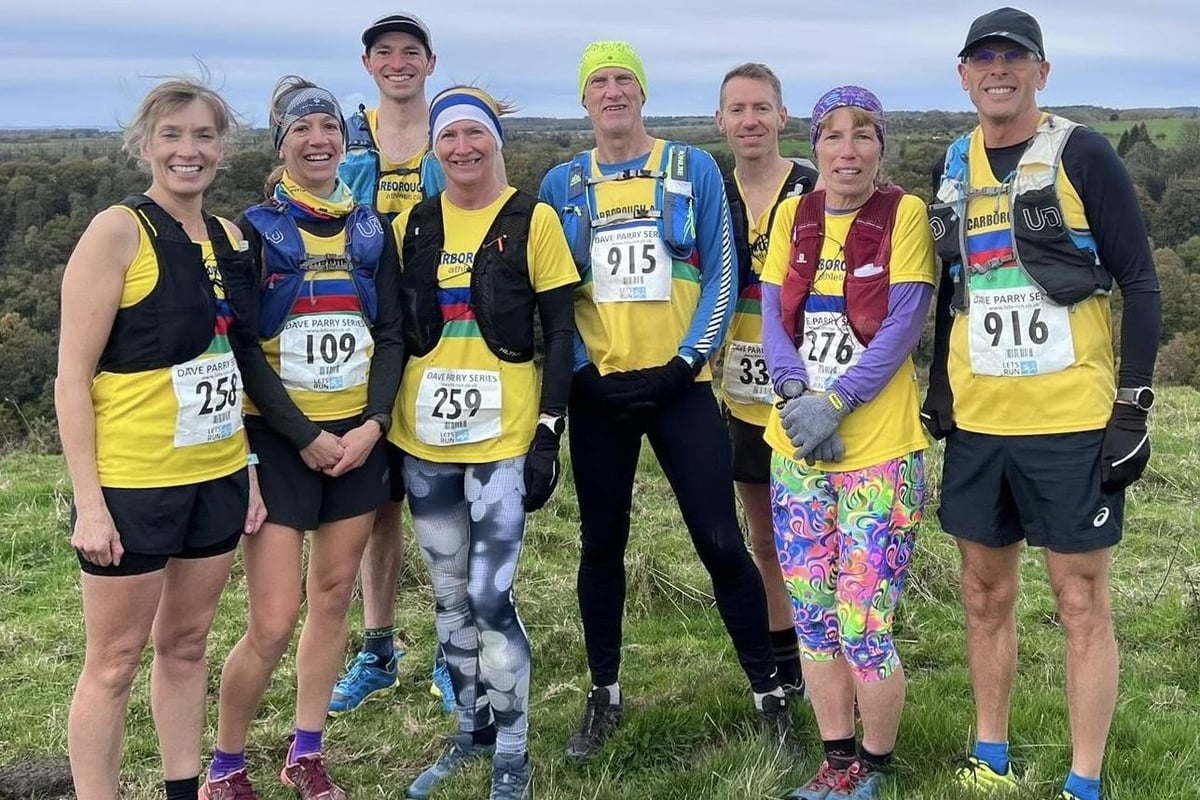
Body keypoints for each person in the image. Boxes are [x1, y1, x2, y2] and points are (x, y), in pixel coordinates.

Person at [923, 9, 1161, 800]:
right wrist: (937, 390)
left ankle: (1083, 780)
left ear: (1041, 72)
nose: (998, 69)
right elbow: (953, 286)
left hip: (1070, 422)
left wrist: (1131, 408)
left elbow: (1141, 281)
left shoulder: (1081, 152)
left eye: (1014, 57)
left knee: (1079, 602)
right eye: (982, 58)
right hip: (982, 422)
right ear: (962, 75)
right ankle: (990, 755)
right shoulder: (952, 163)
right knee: (985, 595)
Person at [539, 40, 792, 762]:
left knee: (720, 540)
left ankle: (769, 691)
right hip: (601, 396)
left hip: (681, 388)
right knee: (600, 546)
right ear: (585, 99)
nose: (612, 92)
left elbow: (722, 272)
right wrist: (584, 373)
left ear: (641, 93)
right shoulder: (563, 184)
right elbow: (558, 293)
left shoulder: (691, 168)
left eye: (623, 79)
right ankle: (605, 693)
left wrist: (685, 364)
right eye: (599, 82)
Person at [56, 77, 266, 800]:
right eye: (172, 136)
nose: (188, 151)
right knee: (113, 661)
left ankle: (185, 788)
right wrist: (90, 502)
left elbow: (233, 366)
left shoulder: (234, 237)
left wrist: (251, 471)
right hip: (134, 481)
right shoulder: (118, 231)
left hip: (216, 477)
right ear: (145, 145)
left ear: (223, 147)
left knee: (185, 645)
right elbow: (70, 379)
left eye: (203, 135)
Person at [200, 76, 403, 800]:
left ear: (344, 143)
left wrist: (375, 423)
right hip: (283, 442)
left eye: (329, 130)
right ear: (281, 142)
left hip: (356, 440)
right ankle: (225, 764)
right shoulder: (250, 230)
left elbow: (392, 334)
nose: (318, 140)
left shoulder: (372, 229)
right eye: (301, 130)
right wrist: (303, 434)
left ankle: (306, 753)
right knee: (274, 618)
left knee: (335, 594)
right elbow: (246, 346)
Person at [389, 85, 578, 800]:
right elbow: (396, 332)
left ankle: (513, 754)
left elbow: (560, 331)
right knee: (446, 599)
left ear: (496, 140)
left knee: (490, 598)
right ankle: (468, 734)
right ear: (435, 150)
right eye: (448, 138)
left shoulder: (534, 220)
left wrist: (548, 432)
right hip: (424, 439)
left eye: (475, 134)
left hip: (502, 438)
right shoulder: (414, 222)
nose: (463, 148)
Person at [759, 86, 935, 800]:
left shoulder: (904, 215)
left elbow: (902, 325)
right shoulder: (792, 216)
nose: (847, 150)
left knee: (863, 619)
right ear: (815, 147)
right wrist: (798, 397)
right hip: (796, 447)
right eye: (832, 136)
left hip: (879, 451)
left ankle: (878, 767)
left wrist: (838, 402)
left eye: (863, 135)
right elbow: (771, 311)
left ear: (881, 147)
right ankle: (835, 763)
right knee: (811, 613)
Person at [332, 10, 453, 716]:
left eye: (411, 51)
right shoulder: (347, 138)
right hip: (367, 339)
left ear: (430, 64)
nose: (398, 61)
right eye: (385, 52)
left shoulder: (454, 133)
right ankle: (377, 651)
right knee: (377, 508)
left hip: (441, 336)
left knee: (441, 504)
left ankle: (448, 650)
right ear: (369, 65)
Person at [715, 62, 818, 698]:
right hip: (735, 390)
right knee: (765, 537)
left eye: (762, 108)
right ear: (720, 121)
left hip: (809, 386)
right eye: (737, 110)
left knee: (816, 534)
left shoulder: (812, 187)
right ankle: (786, 663)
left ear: (782, 117)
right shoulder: (708, 188)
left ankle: (829, 650)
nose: (749, 120)